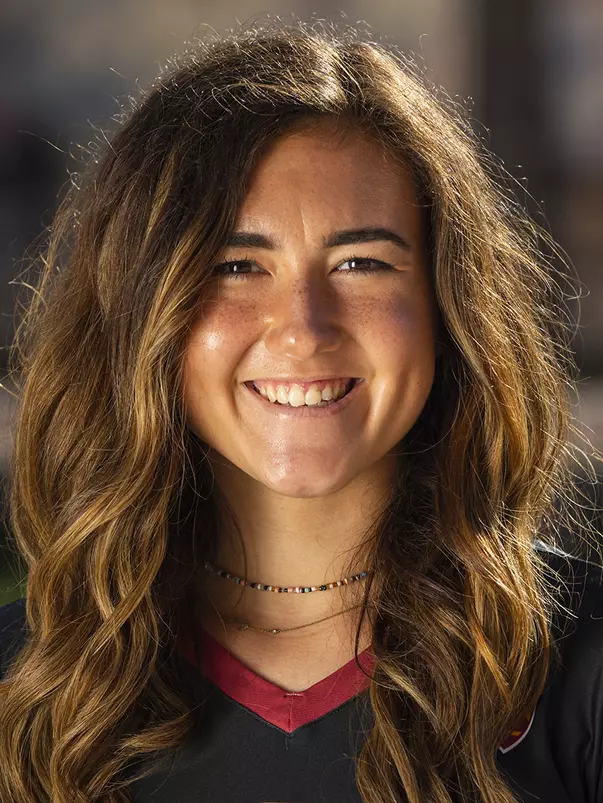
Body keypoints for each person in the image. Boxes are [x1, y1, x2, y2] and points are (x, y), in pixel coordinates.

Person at [0, 18, 602, 803]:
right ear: (142, 308)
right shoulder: (30, 686)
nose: (303, 327)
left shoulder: (578, 662)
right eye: (237, 265)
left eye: (360, 262)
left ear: (446, 304)